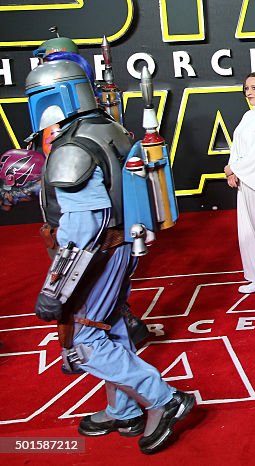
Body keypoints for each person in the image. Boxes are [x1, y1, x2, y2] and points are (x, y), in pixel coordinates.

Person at [27, 60, 194, 455]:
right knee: (111, 326)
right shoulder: (108, 128)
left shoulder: (72, 146)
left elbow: (84, 226)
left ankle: (164, 400)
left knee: (83, 339)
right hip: (120, 247)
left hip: (97, 254)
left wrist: (56, 287)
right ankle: (123, 410)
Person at [224, 71, 255, 294]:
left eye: (254, 87)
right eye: (247, 88)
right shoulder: (249, 116)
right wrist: (231, 171)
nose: (249, 92)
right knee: (249, 230)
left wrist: (235, 168)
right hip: (246, 181)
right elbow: (237, 147)